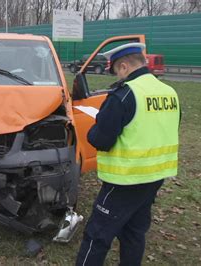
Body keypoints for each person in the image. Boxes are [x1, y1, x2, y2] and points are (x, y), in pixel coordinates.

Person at [75, 43, 180, 266]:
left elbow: (100, 140)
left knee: (97, 235)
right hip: (155, 177)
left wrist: (95, 125)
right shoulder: (169, 92)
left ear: (123, 67)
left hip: (125, 179)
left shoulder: (123, 96)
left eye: (115, 71)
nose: (117, 77)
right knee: (134, 233)